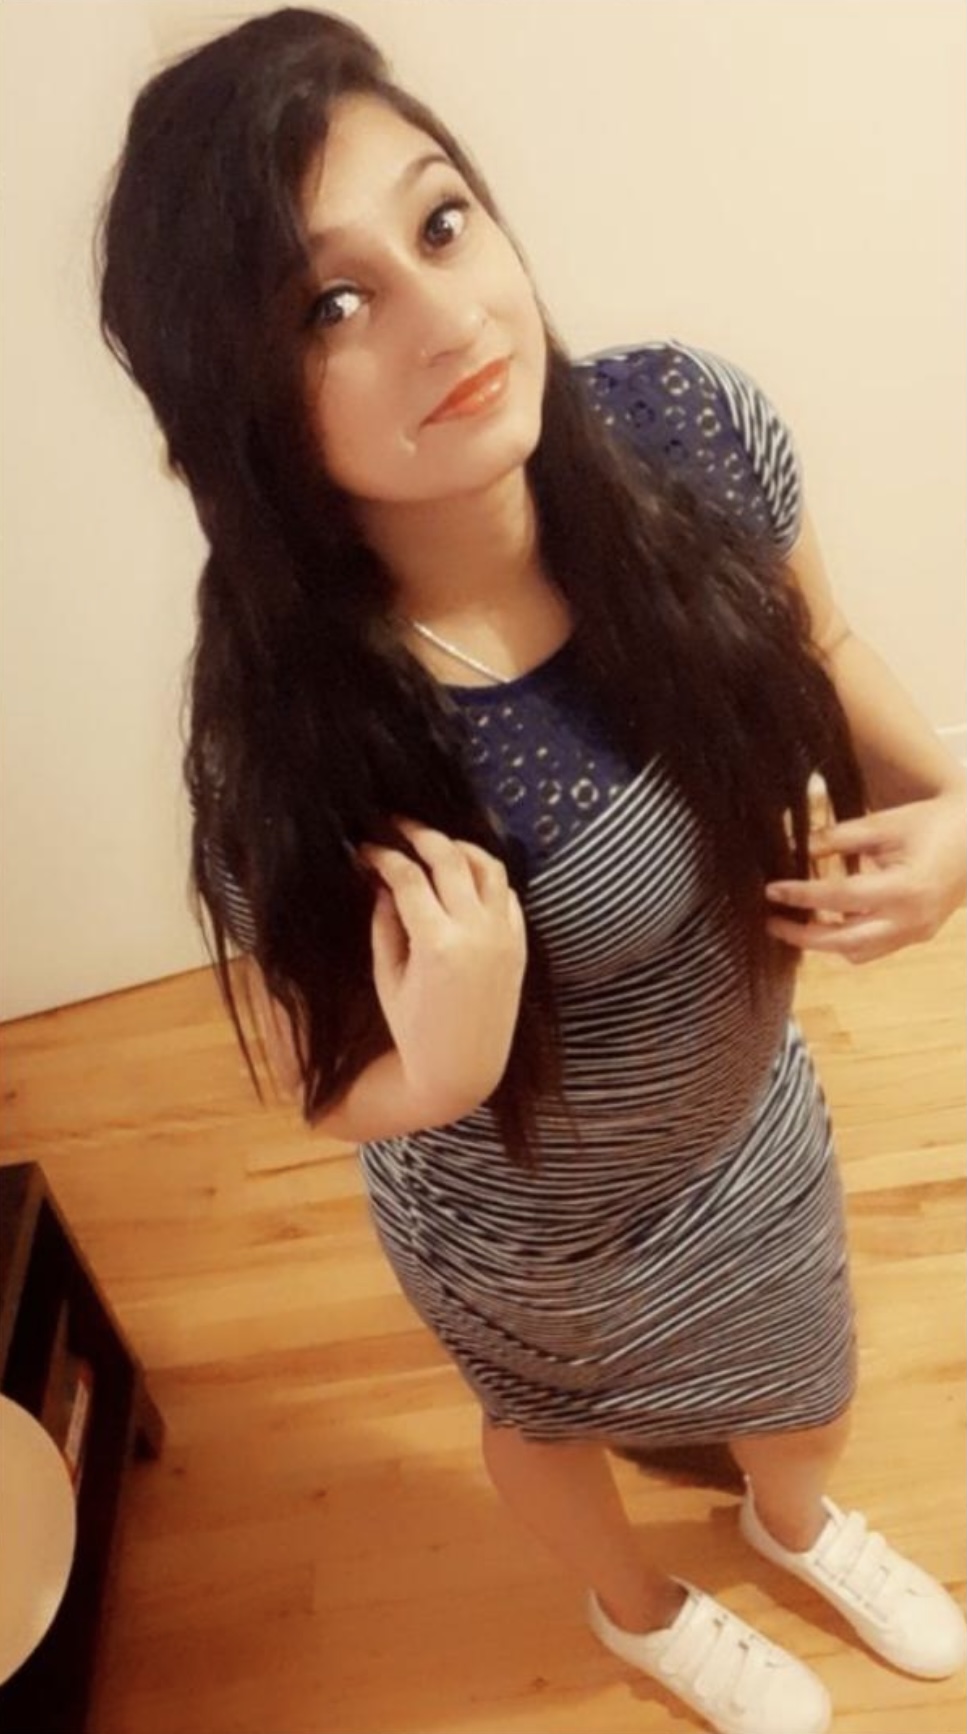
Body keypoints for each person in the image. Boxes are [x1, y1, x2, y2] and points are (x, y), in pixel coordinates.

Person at [95, 10, 967, 1733]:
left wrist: (947, 811)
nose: (448, 316)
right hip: (531, 1225)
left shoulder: (688, 435)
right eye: (329, 308)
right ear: (239, 407)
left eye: (440, 222)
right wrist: (438, 1066)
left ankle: (791, 1520)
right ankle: (639, 1612)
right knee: (550, 1428)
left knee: (805, 1392)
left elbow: (824, 645)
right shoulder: (302, 732)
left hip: (747, 1120)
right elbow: (318, 1070)